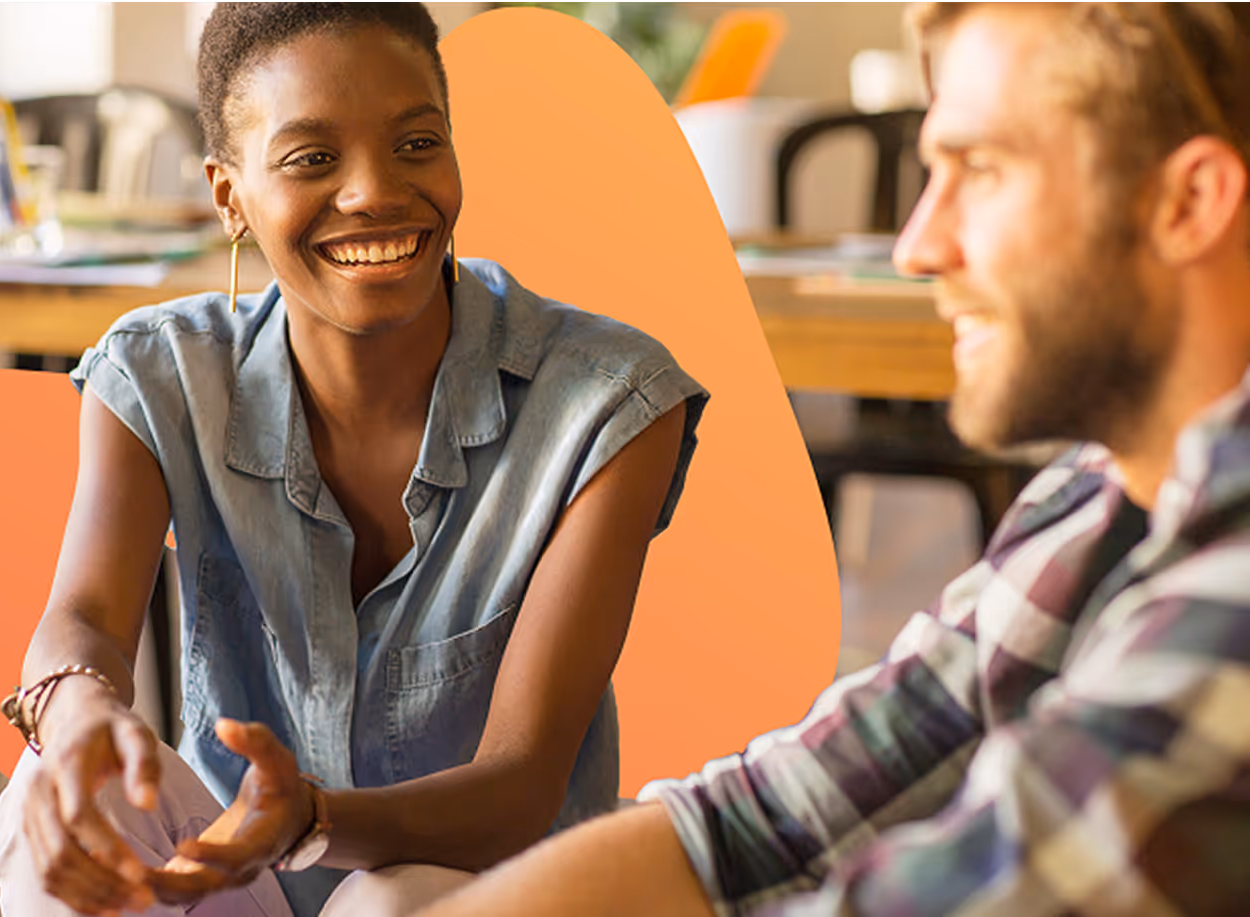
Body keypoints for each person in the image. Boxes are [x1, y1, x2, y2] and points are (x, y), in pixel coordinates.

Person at [412, 2, 1250, 915]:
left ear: (1190, 202)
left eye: (980, 169)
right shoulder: (1098, 494)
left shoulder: (1229, 604)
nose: (919, 245)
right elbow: (757, 823)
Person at [0, 3, 707, 917]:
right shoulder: (160, 373)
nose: (373, 190)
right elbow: (82, 617)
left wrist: (310, 819)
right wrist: (77, 715)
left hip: (490, 889)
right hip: (242, 871)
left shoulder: (608, 400)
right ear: (229, 193)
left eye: (416, 143)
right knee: (45, 791)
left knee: (388, 898)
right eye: (311, 159)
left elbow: (522, 788)